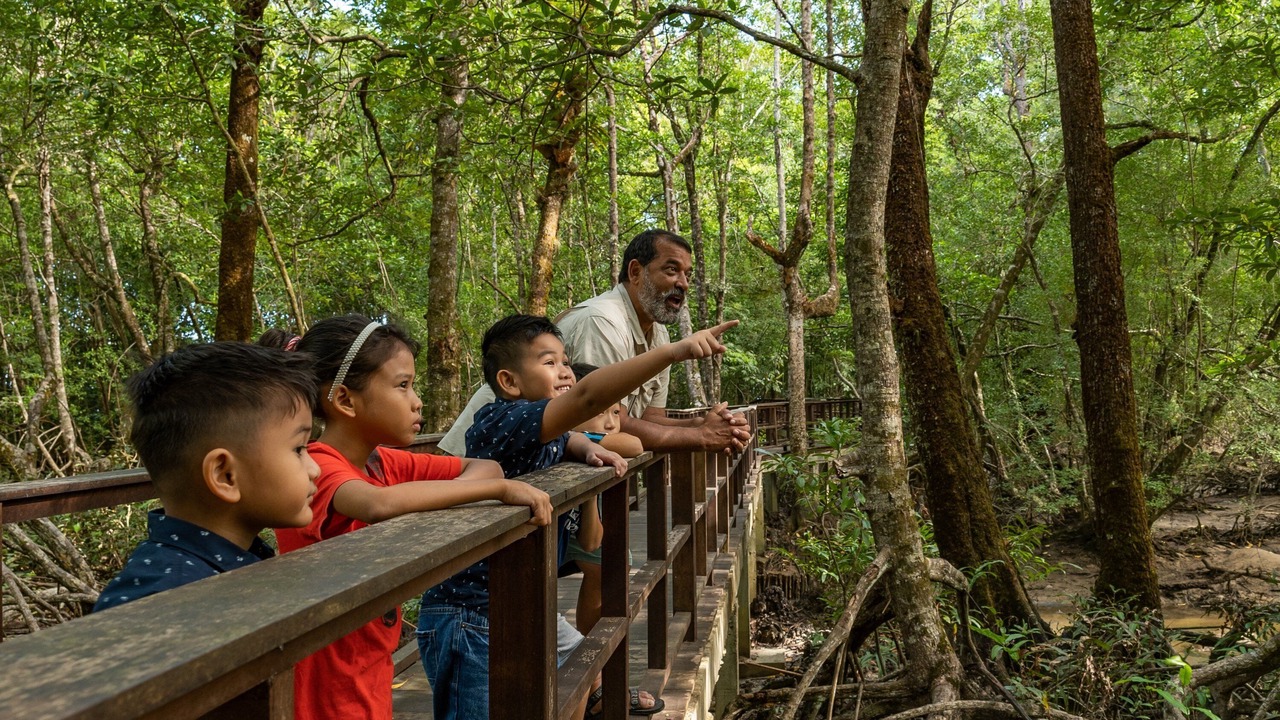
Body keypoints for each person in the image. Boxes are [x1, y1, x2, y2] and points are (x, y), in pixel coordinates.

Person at [419, 314, 738, 720]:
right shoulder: (499, 419)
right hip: (471, 615)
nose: (566, 370)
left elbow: (574, 432)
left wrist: (584, 446)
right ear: (509, 383)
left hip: (517, 604)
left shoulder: (543, 429)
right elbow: (586, 400)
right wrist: (674, 352)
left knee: (581, 672)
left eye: (566, 360)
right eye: (549, 362)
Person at [264, 316, 553, 720]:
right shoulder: (319, 464)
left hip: (370, 662)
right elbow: (376, 505)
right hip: (326, 679)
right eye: (402, 386)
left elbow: (486, 467)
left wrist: (488, 483)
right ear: (345, 400)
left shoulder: (381, 462)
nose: (417, 400)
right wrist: (498, 492)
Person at [439, 229, 750, 458]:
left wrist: (702, 423)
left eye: (687, 274)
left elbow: (648, 418)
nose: (682, 283)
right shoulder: (602, 321)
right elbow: (591, 412)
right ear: (636, 271)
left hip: (544, 462)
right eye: (671, 270)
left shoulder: (659, 334)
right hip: (479, 460)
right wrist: (699, 437)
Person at [94, 343, 320, 612]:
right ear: (225, 476)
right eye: (298, 449)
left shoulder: (231, 560)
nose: (315, 469)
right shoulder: (155, 605)